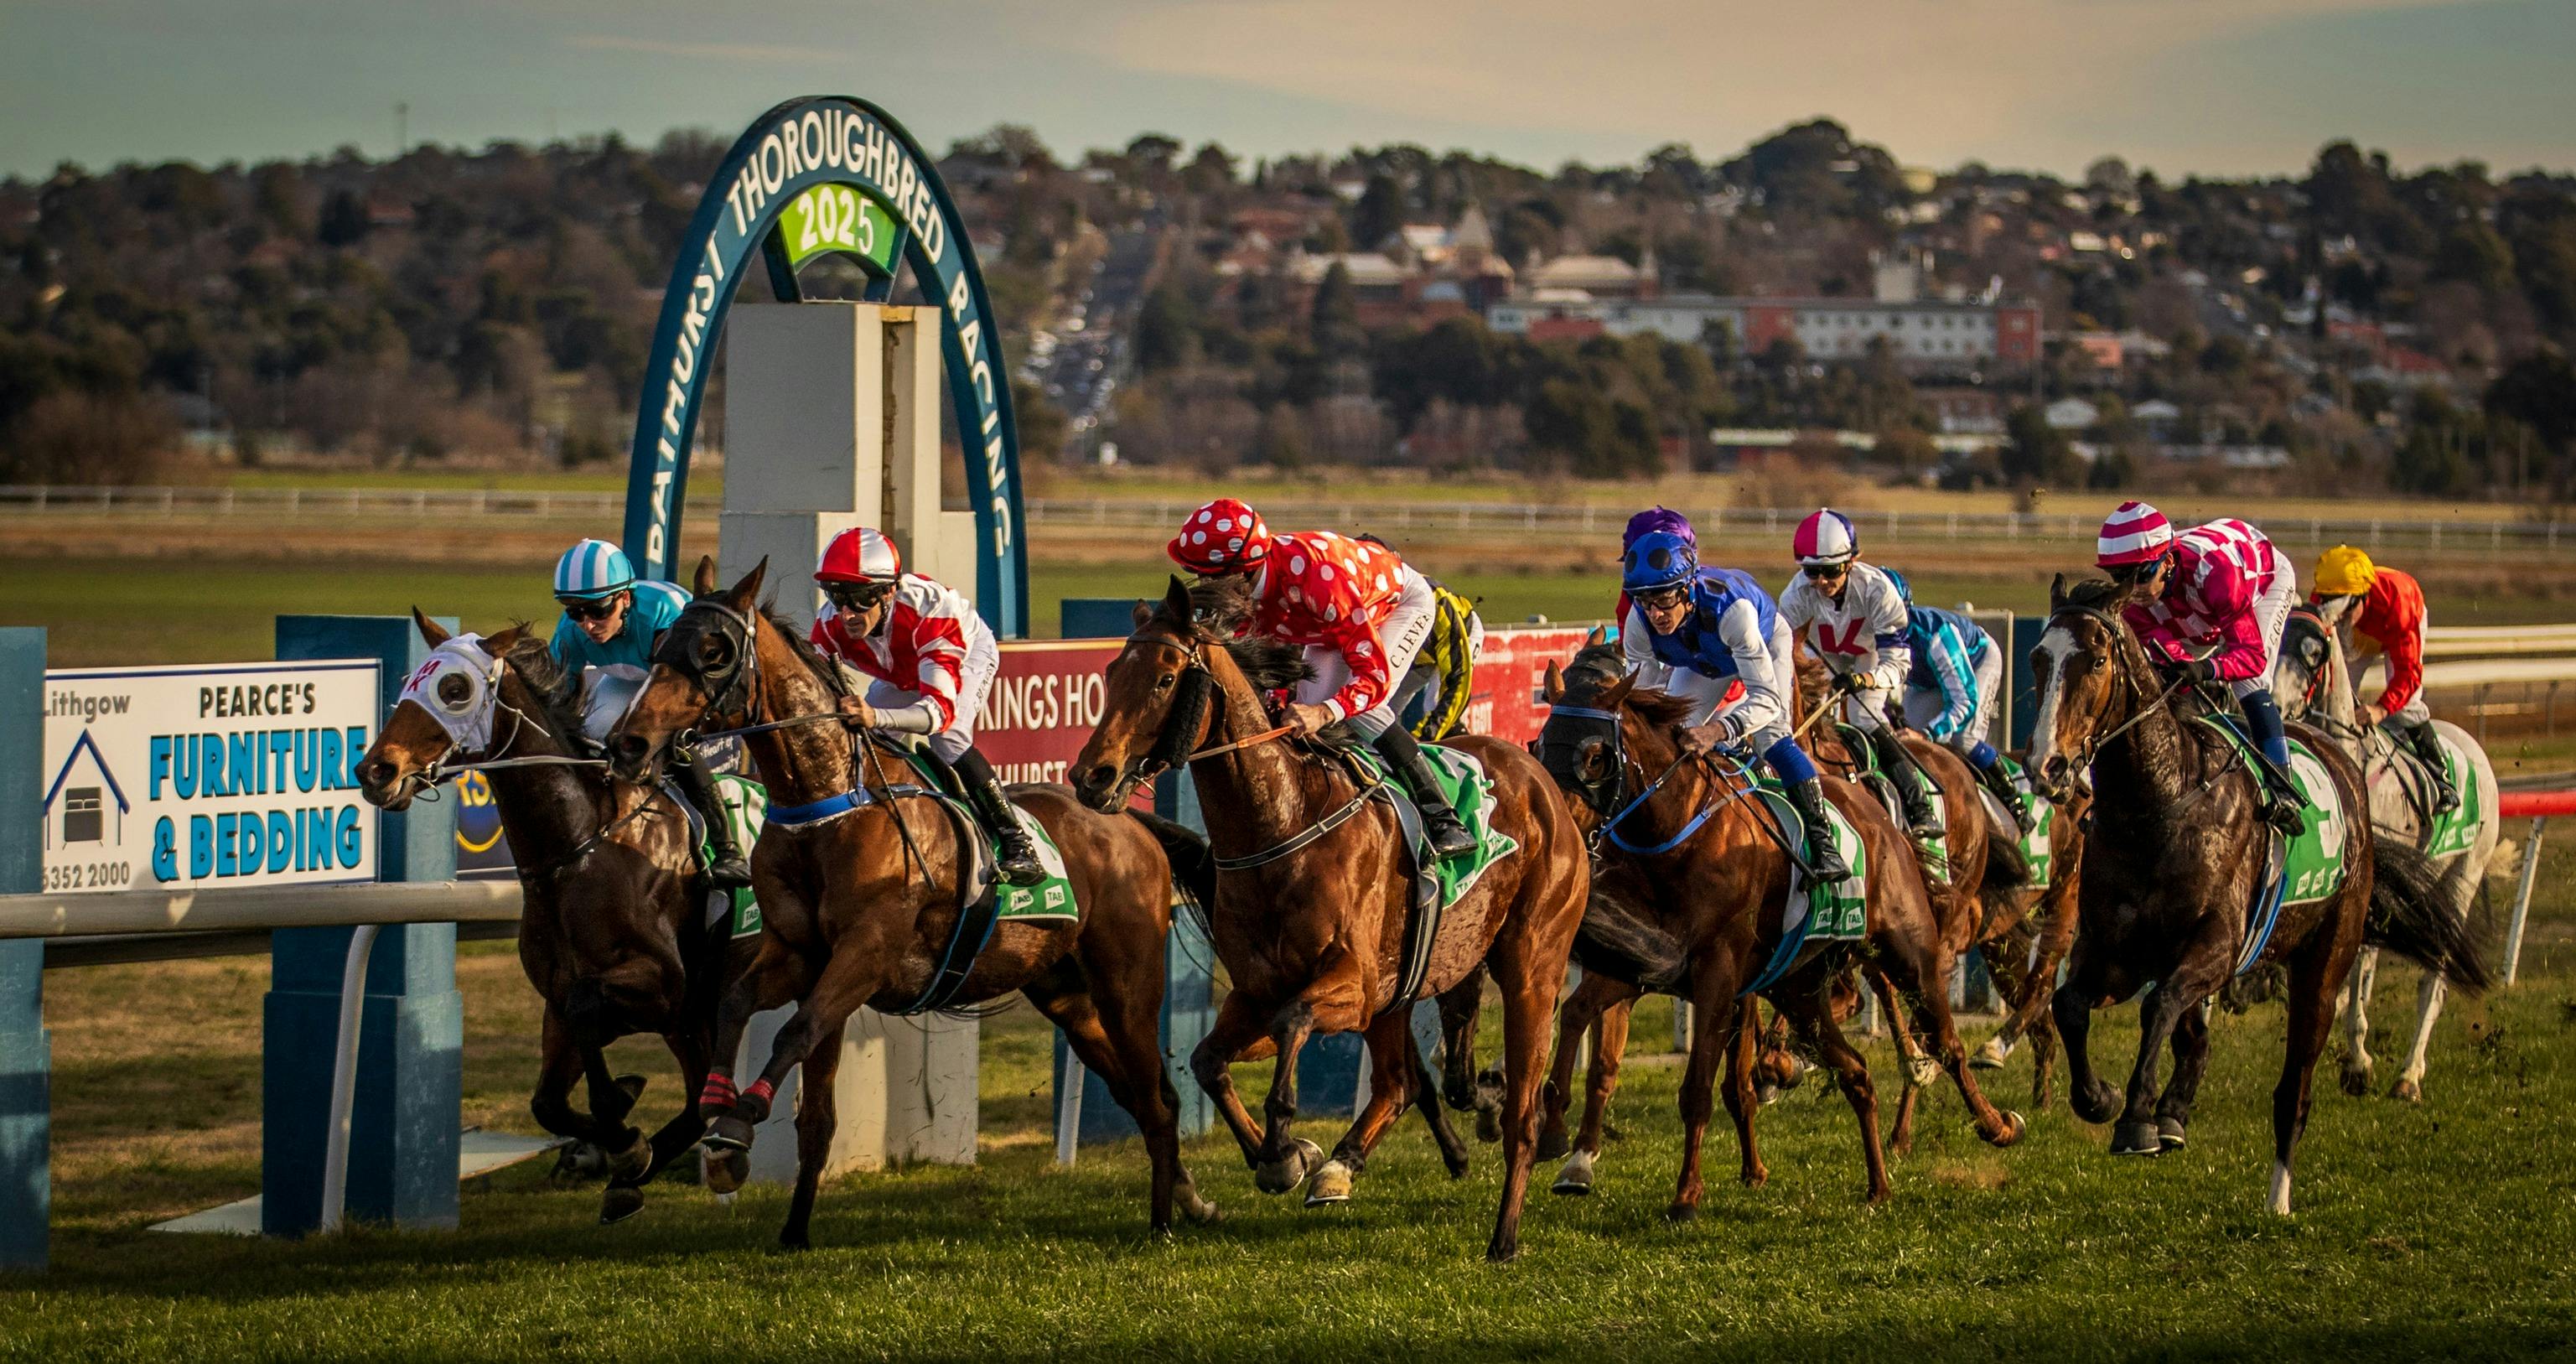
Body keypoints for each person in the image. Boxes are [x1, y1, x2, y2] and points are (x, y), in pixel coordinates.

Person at [1166, 499, 1476, 858]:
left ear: (1243, 572)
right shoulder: (1250, 589)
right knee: (1300, 723)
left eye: (1209, 577)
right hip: (1326, 626)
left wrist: (1324, 712)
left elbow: (1373, 678)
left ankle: (1444, 818)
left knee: (1360, 711)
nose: (1204, 585)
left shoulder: (1316, 579)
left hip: (1397, 606)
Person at [809, 526, 1044, 885]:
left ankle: (1017, 842)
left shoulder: (931, 612)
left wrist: (875, 716)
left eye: (860, 598)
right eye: (836, 596)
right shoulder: (829, 624)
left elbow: (938, 714)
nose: (847, 613)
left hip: (964, 654)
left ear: (888, 591)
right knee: (864, 742)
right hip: (900, 671)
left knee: (948, 739)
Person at [1620, 527, 1850, 883]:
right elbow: (1647, 704)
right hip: (1705, 659)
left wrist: (1717, 730)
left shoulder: (1733, 612)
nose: (1656, 614)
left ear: (1687, 589)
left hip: (1764, 640)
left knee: (1772, 738)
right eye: (1644, 601)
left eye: (1664, 600)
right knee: (1670, 735)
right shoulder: (1640, 621)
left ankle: (1825, 844)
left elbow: (1767, 700)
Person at [549, 538, 750, 888]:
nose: (587, 624)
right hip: (627, 677)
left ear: (625, 599)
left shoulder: (663, 613)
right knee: (594, 727)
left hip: (678, 677)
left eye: (598, 610)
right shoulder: (570, 633)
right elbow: (556, 700)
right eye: (574, 611)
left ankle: (728, 849)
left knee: (672, 742)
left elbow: (683, 691)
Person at [2096, 500, 2304, 830]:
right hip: (2193, 598)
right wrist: (2183, 671)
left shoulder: (2217, 575)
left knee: (2248, 683)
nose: (2132, 590)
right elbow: (2175, 664)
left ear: (2167, 562)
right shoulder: (2135, 602)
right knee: (2164, 680)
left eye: (2141, 576)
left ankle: (2283, 788)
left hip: (2260, 583)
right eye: (2120, 578)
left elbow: (2251, 657)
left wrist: (2208, 670)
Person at [1776, 508, 1939, 838]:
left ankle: (1918, 805)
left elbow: (1898, 662)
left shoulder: (1878, 590)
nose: (1821, 582)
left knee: (1864, 717)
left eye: (1830, 571)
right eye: (1811, 571)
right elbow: (1781, 652)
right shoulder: (1795, 594)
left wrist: (1865, 679)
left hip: (1871, 653)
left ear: (1851, 562)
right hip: (1823, 653)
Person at [1883, 568, 2036, 830]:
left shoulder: (1935, 635)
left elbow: (1963, 701)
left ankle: (2015, 805)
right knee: (1904, 745)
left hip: (1977, 662)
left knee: (1964, 738)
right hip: (1925, 680)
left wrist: (1927, 734)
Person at [2312, 544, 2455, 812]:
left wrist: (2381, 709)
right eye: (2333, 608)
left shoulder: (2398, 603)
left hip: (2395, 624)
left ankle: (2441, 780)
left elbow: (2407, 675)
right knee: (2334, 697)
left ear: (2362, 597)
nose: (2338, 617)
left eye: (2345, 610)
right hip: (2361, 630)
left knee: (2407, 704)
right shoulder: (2328, 600)